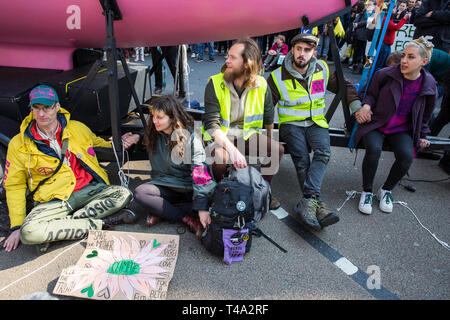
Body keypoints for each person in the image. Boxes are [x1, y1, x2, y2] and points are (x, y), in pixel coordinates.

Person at [3, 85, 137, 253]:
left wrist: (122, 141)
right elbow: (14, 185)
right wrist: (16, 226)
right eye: (36, 108)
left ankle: (58, 229)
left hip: (87, 191)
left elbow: (100, 144)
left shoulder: (76, 128)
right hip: (53, 200)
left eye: (47, 108)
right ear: (31, 109)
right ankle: (100, 223)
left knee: (124, 194)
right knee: (28, 233)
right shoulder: (18, 143)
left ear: (57, 107)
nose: (41, 114)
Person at [267, 33, 363, 231]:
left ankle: (309, 201)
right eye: (299, 49)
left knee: (323, 153)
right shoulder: (276, 76)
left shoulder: (322, 69)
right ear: (292, 50)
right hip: (291, 124)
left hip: (316, 122)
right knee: (302, 159)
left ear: (314, 52)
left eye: (307, 50)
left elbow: (345, 86)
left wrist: (357, 107)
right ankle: (316, 204)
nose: (302, 54)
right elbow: (266, 108)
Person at [354, 37, 438, 215]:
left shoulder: (429, 84)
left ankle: (386, 190)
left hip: (402, 129)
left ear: (424, 61)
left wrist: (423, 134)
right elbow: (370, 94)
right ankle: (367, 191)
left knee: (407, 156)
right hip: (376, 123)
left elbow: (426, 114)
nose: (404, 60)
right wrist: (366, 106)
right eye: (404, 55)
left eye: (411, 57)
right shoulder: (385, 74)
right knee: (374, 150)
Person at [202, 37, 284, 210]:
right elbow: (212, 125)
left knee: (277, 150)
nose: (227, 60)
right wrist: (233, 151)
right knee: (220, 159)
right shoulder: (215, 83)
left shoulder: (261, 84)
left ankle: (263, 191)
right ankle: (222, 192)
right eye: (228, 56)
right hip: (221, 137)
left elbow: (269, 118)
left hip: (246, 135)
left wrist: (268, 148)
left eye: (232, 57)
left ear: (247, 64)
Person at [123, 95, 216, 237]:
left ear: (172, 118)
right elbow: (143, 135)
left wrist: (202, 207)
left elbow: (200, 172)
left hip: (188, 188)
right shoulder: (153, 133)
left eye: (160, 117)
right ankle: (187, 219)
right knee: (140, 193)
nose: (154, 121)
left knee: (209, 201)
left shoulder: (191, 138)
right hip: (164, 186)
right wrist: (136, 136)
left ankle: (165, 211)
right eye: (153, 116)